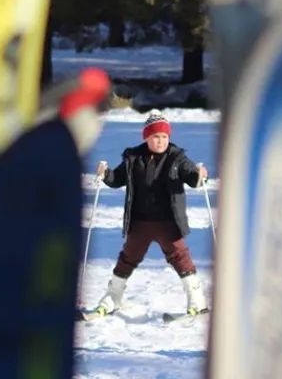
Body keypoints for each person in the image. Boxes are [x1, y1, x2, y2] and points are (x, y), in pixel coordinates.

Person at [81, 110, 210, 319]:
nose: (160, 141)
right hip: (140, 221)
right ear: (147, 137)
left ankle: (196, 299)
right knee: (128, 258)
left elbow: (191, 176)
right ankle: (113, 296)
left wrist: (199, 175)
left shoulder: (177, 157)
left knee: (180, 257)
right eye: (156, 137)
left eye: (164, 137)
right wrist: (105, 174)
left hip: (168, 221)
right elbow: (117, 179)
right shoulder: (133, 158)